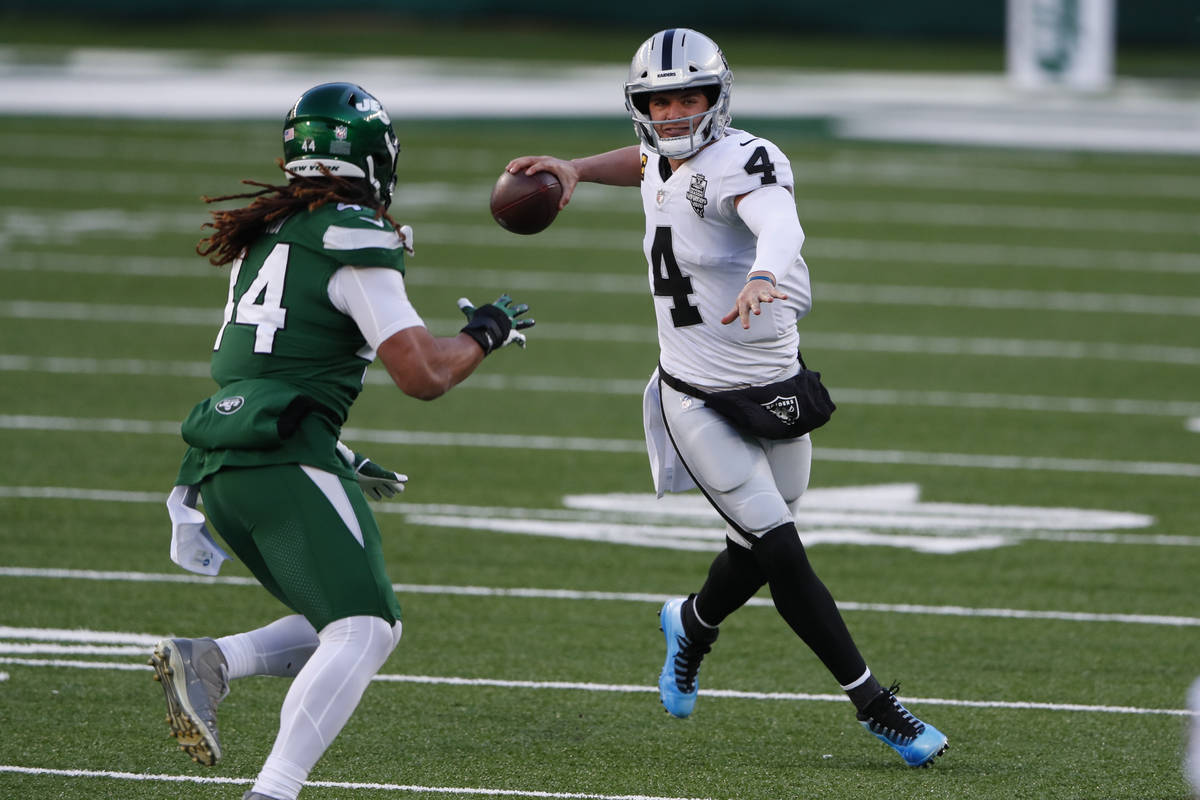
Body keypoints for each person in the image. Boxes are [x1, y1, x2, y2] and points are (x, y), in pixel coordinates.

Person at [506, 29, 948, 768]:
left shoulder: (748, 158)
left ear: (718, 98)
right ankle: (878, 706)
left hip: (775, 386)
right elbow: (648, 164)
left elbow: (780, 222)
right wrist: (574, 168)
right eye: (661, 100)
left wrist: (764, 273)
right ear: (641, 105)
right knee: (783, 553)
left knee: (751, 550)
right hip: (695, 397)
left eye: (690, 97)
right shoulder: (661, 155)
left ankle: (690, 623)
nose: (676, 113)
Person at [148, 82, 533, 800]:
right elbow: (421, 375)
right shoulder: (351, 234)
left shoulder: (263, 237)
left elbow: (254, 366)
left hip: (224, 464)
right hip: (280, 456)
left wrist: (340, 454)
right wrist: (485, 332)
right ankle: (274, 790)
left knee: (336, 619)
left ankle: (213, 661)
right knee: (367, 628)